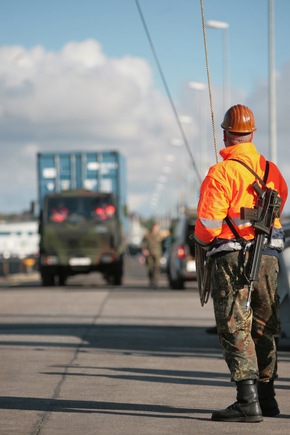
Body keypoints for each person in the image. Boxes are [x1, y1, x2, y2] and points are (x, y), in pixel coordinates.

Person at [194, 104, 288, 423]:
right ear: (252, 134)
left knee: (235, 325)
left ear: (225, 134)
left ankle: (247, 401)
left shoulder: (220, 173)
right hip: (269, 258)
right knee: (265, 327)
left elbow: (207, 225)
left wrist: (203, 243)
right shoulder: (271, 171)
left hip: (234, 257)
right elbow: (277, 208)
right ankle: (268, 398)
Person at [142, 223, 162, 288]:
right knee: (151, 268)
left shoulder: (160, 235)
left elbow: (164, 244)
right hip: (150, 254)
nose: (156, 229)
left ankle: (156, 282)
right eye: (155, 227)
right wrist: (144, 250)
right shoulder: (148, 235)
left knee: (157, 268)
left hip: (157, 254)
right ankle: (151, 280)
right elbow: (144, 243)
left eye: (157, 227)